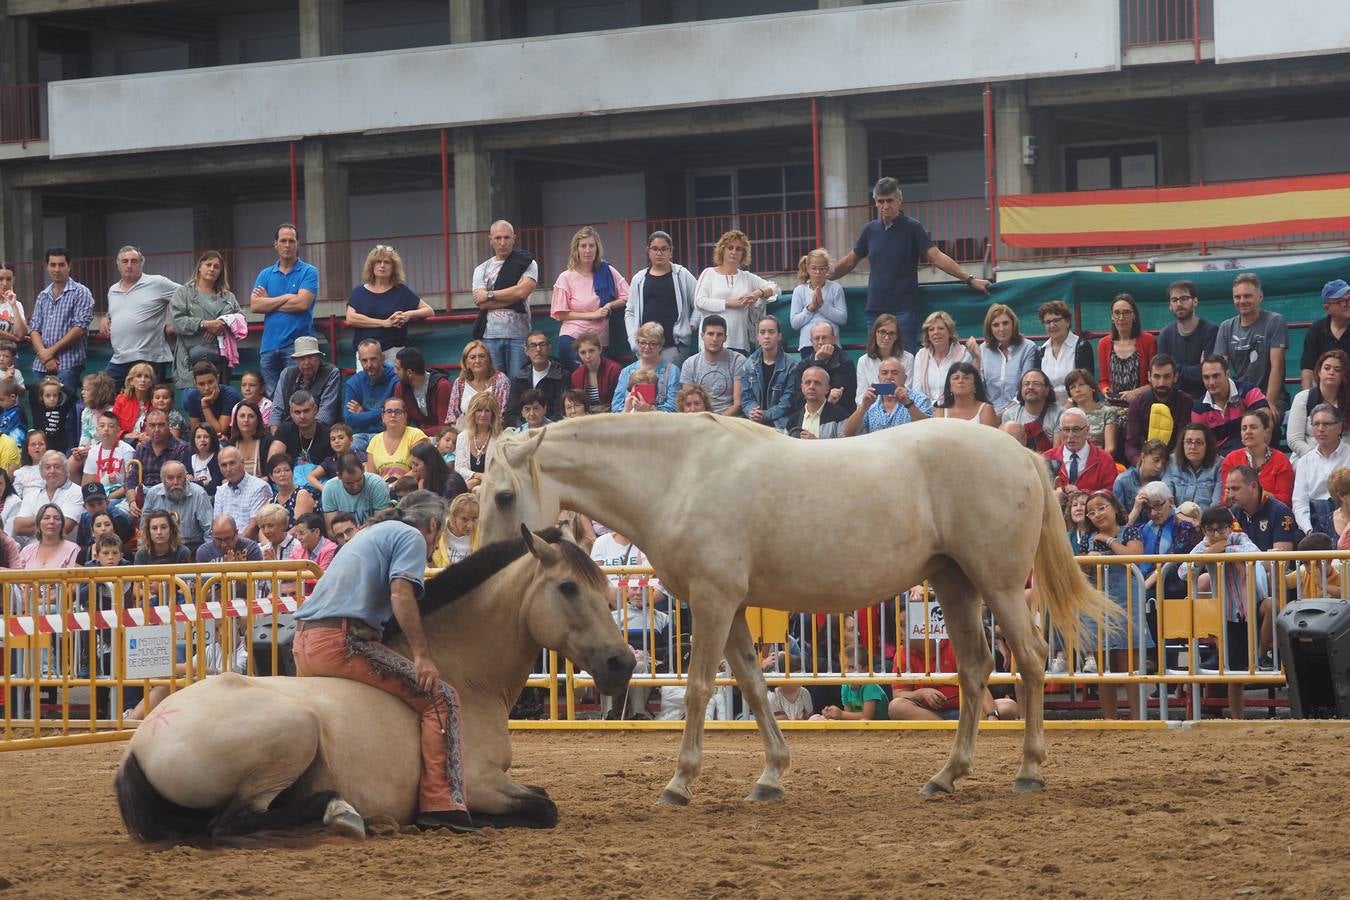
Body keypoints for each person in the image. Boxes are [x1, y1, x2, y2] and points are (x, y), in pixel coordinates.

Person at [292, 491, 477, 832]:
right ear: (433, 523)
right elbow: (401, 593)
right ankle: (442, 805)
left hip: (303, 643)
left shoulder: (371, 534)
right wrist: (422, 656)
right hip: (340, 642)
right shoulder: (411, 537)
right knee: (441, 697)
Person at [829, 176, 989, 351]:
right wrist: (820, 279)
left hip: (903, 310)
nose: (885, 206)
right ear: (875, 202)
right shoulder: (870, 230)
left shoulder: (913, 228)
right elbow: (850, 261)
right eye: (880, 201)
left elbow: (936, 257)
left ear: (899, 200)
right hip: (875, 310)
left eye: (889, 200)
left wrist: (970, 279)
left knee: (906, 362)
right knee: (876, 362)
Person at [1177, 506, 1268, 719]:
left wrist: (1222, 550)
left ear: (1230, 527)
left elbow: (1255, 554)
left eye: (1222, 529)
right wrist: (1211, 552)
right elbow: (1183, 572)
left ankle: (1264, 654)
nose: (1217, 534)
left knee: (1272, 605)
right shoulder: (1203, 546)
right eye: (1211, 530)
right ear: (1203, 530)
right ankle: (1238, 719)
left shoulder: (1239, 539)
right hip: (1230, 615)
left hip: (1254, 606)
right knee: (1234, 674)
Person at [1082, 490, 1148, 720]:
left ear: (1114, 508)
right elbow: (1081, 570)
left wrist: (1109, 542)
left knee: (1130, 663)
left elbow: (1135, 557)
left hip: (1127, 599)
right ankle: (1109, 718)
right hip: (1098, 601)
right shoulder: (1087, 538)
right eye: (1091, 512)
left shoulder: (1130, 531)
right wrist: (1087, 561)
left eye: (1102, 508)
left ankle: (1138, 717)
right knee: (1103, 666)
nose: (1097, 514)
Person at [251, 223, 319, 395]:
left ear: (298, 244)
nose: (287, 245)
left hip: (297, 347)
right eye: (283, 241)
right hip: (268, 347)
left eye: (291, 241)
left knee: (298, 395)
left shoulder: (309, 272)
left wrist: (269, 302)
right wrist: (287, 297)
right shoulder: (265, 274)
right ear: (275, 244)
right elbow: (255, 305)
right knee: (274, 398)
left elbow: (302, 304)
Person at [550, 225, 628, 370]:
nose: (587, 250)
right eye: (583, 246)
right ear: (576, 249)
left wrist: (610, 305)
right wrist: (592, 315)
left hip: (600, 340)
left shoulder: (608, 271)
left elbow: (627, 296)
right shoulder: (566, 277)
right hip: (573, 337)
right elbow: (560, 314)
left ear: (597, 248)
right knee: (578, 381)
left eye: (591, 246)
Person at [693, 229, 777, 356]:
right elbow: (699, 302)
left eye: (738, 249)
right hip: (712, 342)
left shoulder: (747, 277)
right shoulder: (708, 273)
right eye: (730, 247)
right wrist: (729, 303)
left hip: (740, 342)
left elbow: (775, 288)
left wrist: (756, 294)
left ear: (743, 253)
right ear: (722, 250)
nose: (734, 252)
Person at [472, 220, 539, 378]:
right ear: (491, 239)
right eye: (498, 238)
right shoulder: (481, 268)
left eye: (507, 238)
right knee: (495, 384)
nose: (503, 242)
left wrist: (490, 295)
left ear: (514, 239)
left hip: (519, 334)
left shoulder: (527, 263)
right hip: (490, 336)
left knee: (518, 382)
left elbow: (522, 293)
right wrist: (513, 295)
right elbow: (480, 303)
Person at [1215, 272, 1288, 413]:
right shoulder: (1226, 327)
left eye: (1247, 296)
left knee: (1259, 422)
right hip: (1240, 399)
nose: (1242, 301)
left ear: (1260, 296)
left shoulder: (1275, 321)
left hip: (1271, 397)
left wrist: (1269, 404)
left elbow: (1277, 366)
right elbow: (1220, 369)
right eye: (1237, 297)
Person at [104, 245, 178, 386]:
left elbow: (186, 296)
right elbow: (120, 311)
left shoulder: (157, 283)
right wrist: (106, 317)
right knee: (102, 394)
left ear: (142, 264)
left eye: (134, 261)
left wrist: (173, 322)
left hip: (149, 357)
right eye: (125, 261)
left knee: (151, 404)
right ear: (118, 265)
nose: (129, 265)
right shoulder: (113, 290)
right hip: (120, 358)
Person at [345, 244, 432, 362]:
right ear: (371, 266)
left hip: (394, 351)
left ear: (393, 267)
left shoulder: (401, 291)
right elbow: (351, 318)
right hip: (366, 354)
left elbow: (429, 310)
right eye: (378, 262)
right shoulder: (359, 292)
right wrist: (384, 323)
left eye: (387, 262)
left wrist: (408, 315)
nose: (382, 265)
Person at [170, 251, 241, 392]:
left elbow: (240, 320)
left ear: (221, 272)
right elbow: (177, 322)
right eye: (208, 264)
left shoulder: (228, 296)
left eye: (216, 267)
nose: (212, 269)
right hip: (190, 362)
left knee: (220, 406)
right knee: (192, 402)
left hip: (220, 362)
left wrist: (221, 326)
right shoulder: (183, 293)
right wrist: (204, 324)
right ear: (199, 267)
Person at [29, 247, 95, 398]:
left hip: (68, 363)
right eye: (53, 265)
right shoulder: (43, 295)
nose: (57, 269)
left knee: (66, 412)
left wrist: (50, 353)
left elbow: (80, 328)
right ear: (47, 266)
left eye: (61, 264)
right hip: (41, 364)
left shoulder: (81, 292)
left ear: (69, 266)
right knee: (41, 412)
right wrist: (44, 355)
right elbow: (34, 328)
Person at [625, 230, 697, 366]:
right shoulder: (639, 279)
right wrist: (633, 338)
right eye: (655, 249)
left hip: (675, 344)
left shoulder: (682, 275)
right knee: (647, 384)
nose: (659, 253)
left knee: (669, 382)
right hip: (645, 347)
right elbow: (630, 312)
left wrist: (692, 324)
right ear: (648, 251)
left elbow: (699, 303)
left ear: (671, 251)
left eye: (664, 249)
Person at [1122, 354, 1192, 465]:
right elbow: (1131, 444)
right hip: (1144, 462)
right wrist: (1141, 463)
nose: (1161, 383)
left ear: (1175, 377)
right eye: (1157, 376)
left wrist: (1166, 464)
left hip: (1174, 463)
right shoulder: (1138, 403)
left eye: (1167, 377)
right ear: (1149, 377)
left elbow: (1183, 442)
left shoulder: (1185, 402)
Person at [1291, 404, 1350, 536]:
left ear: (1339, 427)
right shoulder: (1304, 462)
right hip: (1315, 520)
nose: (1321, 429)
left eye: (1326, 424)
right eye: (1316, 424)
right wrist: (1309, 530)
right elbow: (1300, 503)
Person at [1193, 354, 1269, 455]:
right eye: (1206, 377)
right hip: (1220, 462)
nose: (1211, 382)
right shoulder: (1198, 409)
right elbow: (1202, 445)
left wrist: (1256, 458)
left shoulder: (1248, 391)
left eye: (1216, 376)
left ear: (1227, 374)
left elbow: (1267, 424)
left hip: (1252, 454)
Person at [1157, 279, 1220, 400]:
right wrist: (1198, 368)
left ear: (1195, 301)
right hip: (1174, 399)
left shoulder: (1211, 331)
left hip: (1206, 399)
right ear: (1170, 305)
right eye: (1174, 300)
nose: (1179, 304)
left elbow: (1208, 374)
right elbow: (1163, 374)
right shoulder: (1165, 334)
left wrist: (1176, 368)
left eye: (1184, 298)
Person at [967, 303, 1035, 415]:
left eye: (1005, 323)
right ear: (990, 328)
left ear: (1013, 324)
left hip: (1019, 410)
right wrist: (977, 358)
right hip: (989, 411)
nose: (1001, 329)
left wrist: (1004, 412)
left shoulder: (1028, 347)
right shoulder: (983, 348)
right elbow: (977, 387)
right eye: (995, 325)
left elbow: (1026, 387)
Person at [1220, 408, 1293, 508]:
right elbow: (1225, 500)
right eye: (1244, 428)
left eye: (1253, 427)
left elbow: (1285, 501)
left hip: (1271, 515)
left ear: (1266, 431)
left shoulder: (1281, 460)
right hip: (1238, 515)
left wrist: (1253, 494)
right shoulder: (1231, 459)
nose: (1248, 432)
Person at [844, 356, 931, 436]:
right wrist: (863, 407)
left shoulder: (920, 399)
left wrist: (908, 404)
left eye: (895, 373)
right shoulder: (870, 401)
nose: (889, 377)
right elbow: (848, 433)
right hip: (877, 451)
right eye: (884, 373)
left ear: (904, 378)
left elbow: (928, 430)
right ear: (879, 378)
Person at [1288, 350, 1350, 461]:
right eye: (1327, 368)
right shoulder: (1303, 398)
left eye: (1337, 370)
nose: (1331, 372)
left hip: (1344, 459)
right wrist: (1316, 458)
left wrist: (1338, 459)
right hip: (1306, 457)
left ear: (1344, 375)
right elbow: (1294, 439)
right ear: (1319, 372)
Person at [1225, 464, 1300, 553]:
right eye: (1228, 489)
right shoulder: (1231, 514)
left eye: (1235, 489)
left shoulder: (1280, 512)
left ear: (1253, 486)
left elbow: (1280, 563)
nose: (1230, 495)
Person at [270, 336, 342, 429]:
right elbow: (277, 410)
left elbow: (326, 414)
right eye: (302, 358)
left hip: (322, 431)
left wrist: (306, 437)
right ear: (296, 361)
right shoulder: (287, 374)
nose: (307, 362)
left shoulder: (331, 373)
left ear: (319, 358)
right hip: (290, 430)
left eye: (311, 357)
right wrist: (276, 434)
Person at [679, 315, 745, 416]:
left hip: (730, 420)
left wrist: (717, 421)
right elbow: (688, 403)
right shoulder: (690, 364)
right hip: (699, 419)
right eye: (710, 334)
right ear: (702, 336)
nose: (714, 339)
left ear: (725, 338)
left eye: (719, 335)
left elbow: (738, 404)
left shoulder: (738, 361)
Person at [143, 460, 213, 553]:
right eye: (170, 478)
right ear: (163, 480)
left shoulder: (199, 494)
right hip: (160, 548)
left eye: (179, 477)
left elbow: (209, 530)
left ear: (186, 478)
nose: (175, 482)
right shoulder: (153, 494)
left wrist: (207, 554)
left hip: (192, 547)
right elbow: (144, 528)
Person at [741, 316, 797, 430]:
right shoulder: (748, 364)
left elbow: (788, 401)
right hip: (755, 421)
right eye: (762, 332)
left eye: (771, 332)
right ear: (758, 337)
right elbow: (746, 398)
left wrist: (766, 415)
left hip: (781, 422)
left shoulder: (792, 366)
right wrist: (753, 412)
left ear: (779, 336)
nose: (766, 336)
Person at [1097, 293, 1155, 405]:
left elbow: (1154, 380)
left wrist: (1136, 393)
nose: (1121, 317)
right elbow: (1103, 382)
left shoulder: (1149, 341)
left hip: (1141, 403)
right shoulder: (1103, 344)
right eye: (1117, 313)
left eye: (1126, 313)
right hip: (1113, 405)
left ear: (1134, 316)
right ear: (1112, 316)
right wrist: (1107, 392)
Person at [1033, 299, 1094, 404]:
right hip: (1048, 408)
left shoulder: (1081, 347)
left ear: (1067, 322)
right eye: (1048, 322)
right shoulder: (1040, 351)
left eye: (1056, 320)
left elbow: (1085, 384)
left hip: (1077, 406)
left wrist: (1067, 409)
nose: (1052, 325)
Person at [612, 323, 681, 414]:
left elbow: (673, 406)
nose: (647, 347)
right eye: (643, 342)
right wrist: (628, 409)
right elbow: (616, 406)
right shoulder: (626, 372)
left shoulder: (672, 371)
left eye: (653, 343)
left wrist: (649, 410)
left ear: (660, 346)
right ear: (637, 343)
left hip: (660, 423)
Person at [1046, 408, 1116, 496]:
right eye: (1066, 430)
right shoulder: (1047, 458)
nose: (1070, 436)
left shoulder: (1104, 460)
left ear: (1087, 430)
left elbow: (1111, 497)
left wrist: (1082, 495)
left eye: (1076, 429)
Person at [788, 248, 846, 353]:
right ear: (807, 268)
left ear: (827, 269)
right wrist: (811, 308)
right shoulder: (799, 290)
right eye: (814, 268)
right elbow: (795, 323)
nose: (818, 272)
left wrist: (822, 306)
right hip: (808, 344)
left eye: (822, 269)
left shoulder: (835, 288)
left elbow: (842, 319)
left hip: (831, 344)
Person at [344, 338, 399, 449]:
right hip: (361, 436)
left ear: (383, 358)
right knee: (349, 449)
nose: (369, 365)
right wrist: (383, 412)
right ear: (359, 360)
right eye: (364, 360)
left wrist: (364, 412)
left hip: (388, 434)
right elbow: (350, 420)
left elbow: (396, 416)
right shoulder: (353, 383)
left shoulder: (395, 379)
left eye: (373, 359)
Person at [13, 450, 82, 538]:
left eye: (57, 467)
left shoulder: (76, 492)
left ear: (66, 470)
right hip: (34, 549)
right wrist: (51, 520)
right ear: (42, 473)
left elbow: (65, 527)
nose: (52, 471)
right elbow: (18, 528)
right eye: (47, 467)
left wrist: (37, 521)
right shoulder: (31, 496)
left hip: (65, 549)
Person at [442, 341, 504, 438]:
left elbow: (501, 414)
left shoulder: (500, 380)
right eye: (472, 357)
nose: (477, 361)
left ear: (489, 360)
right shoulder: (460, 382)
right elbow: (452, 417)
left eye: (482, 356)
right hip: (463, 434)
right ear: (466, 363)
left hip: (492, 434)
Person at [852, 313, 913, 408]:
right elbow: (860, 398)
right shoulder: (863, 361)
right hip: (871, 411)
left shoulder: (908, 358)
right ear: (875, 333)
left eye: (891, 333)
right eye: (882, 332)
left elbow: (909, 391)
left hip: (901, 409)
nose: (886, 337)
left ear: (897, 336)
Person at [907, 310, 969, 404]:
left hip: (954, 410)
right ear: (928, 335)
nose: (936, 332)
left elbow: (965, 391)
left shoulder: (963, 355)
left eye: (940, 328)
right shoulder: (921, 355)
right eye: (931, 329)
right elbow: (917, 392)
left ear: (950, 332)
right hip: (927, 411)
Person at [273, 391, 332, 487]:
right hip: (289, 485)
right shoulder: (284, 430)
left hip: (319, 485)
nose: (302, 416)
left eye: (306, 411)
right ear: (291, 413)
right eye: (297, 412)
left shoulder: (328, 435)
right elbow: (274, 461)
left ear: (315, 409)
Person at [506, 332, 567, 426]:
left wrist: (542, 429)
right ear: (526, 350)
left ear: (549, 348)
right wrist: (525, 429)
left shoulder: (562, 376)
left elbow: (561, 411)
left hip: (551, 431)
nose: (538, 349)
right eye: (533, 346)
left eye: (542, 345)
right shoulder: (518, 378)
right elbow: (511, 414)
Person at [1300, 279, 1350, 392]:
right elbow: (1307, 370)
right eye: (1341, 301)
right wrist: (1307, 399)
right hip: (1324, 396)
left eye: (1349, 299)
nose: (1348, 304)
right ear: (1327, 308)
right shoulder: (1316, 330)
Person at [214, 445, 273, 539]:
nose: (228, 469)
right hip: (225, 544)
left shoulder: (260, 487)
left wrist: (233, 547)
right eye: (224, 465)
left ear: (242, 463)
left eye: (232, 463)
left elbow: (254, 527)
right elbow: (217, 525)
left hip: (251, 547)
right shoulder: (220, 491)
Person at [394, 346, 452, 439]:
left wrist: (416, 433)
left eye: (398, 369)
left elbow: (445, 427)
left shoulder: (442, 386)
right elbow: (400, 422)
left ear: (409, 372)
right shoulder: (400, 387)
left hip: (442, 438)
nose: (395, 372)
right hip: (418, 436)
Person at [802, 320, 858, 416]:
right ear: (811, 342)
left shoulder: (845, 363)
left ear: (834, 339)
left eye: (824, 338)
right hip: (808, 415)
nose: (820, 342)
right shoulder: (803, 365)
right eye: (816, 338)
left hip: (839, 417)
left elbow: (845, 399)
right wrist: (818, 362)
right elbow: (798, 400)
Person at [1063, 368, 1121, 459]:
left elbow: (1110, 448)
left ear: (1092, 388)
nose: (1077, 390)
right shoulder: (1068, 416)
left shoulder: (1107, 412)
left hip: (1099, 461)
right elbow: (1061, 447)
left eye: (1081, 385)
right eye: (1072, 387)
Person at [368, 396, 429, 482]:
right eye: (389, 411)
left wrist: (396, 485)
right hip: (383, 491)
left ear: (405, 416)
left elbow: (421, 469)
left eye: (398, 412)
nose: (393, 415)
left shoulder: (416, 435)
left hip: (411, 489)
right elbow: (372, 478)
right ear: (383, 417)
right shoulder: (375, 441)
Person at [1164, 423, 1224, 509]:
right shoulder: (1172, 461)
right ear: (1182, 444)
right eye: (1188, 442)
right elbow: (1166, 499)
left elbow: (1216, 505)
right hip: (1175, 518)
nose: (1193, 447)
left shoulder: (1219, 465)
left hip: (1206, 519)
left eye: (1198, 442)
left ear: (1207, 445)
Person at [818, 647, 888, 721]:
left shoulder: (870, 685)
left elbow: (867, 716)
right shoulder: (845, 686)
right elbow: (849, 715)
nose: (846, 671)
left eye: (851, 667)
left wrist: (841, 714)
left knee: (864, 721)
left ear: (865, 669)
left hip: (879, 726)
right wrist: (831, 714)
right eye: (843, 667)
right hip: (861, 725)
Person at [1000, 368, 1062, 452]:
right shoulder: (1010, 415)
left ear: (1047, 390)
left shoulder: (1060, 414)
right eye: (1026, 384)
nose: (1030, 387)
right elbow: (1005, 449)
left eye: (1036, 383)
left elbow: (1057, 453)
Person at [323, 452, 391, 527]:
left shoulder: (377, 484)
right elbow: (331, 528)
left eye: (358, 480)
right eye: (349, 483)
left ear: (363, 469)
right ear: (339, 476)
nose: (355, 486)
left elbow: (382, 523)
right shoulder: (330, 489)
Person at [130, 409, 190, 491]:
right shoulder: (141, 449)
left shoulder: (181, 448)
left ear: (169, 425)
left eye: (161, 425)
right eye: (152, 425)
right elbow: (131, 479)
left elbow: (183, 481)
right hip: (142, 495)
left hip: (170, 495)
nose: (157, 429)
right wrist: (132, 500)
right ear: (146, 427)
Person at [453, 392, 502, 493]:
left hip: (493, 488)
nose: (483, 415)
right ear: (472, 412)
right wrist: (478, 476)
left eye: (487, 411)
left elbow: (499, 470)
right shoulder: (462, 437)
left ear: (493, 414)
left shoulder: (501, 438)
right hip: (468, 486)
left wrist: (476, 482)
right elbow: (459, 468)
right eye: (479, 410)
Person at [81, 411, 133, 501]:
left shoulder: (127, 451)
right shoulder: (93, 452)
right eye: (102, 426)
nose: (106, 429)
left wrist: (107, 498)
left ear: (118, 430)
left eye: (111, 426)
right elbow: (86, 485)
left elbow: (131, 483)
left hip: (121, 498)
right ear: (97, 430)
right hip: (98, 498)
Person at [784, 366, 848, 440]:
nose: (811, 387)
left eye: (817, 383)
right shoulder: (793, 420)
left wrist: (816, 443)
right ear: (802, 387)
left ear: (827, 389)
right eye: (808, 382)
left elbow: (845, 448)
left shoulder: (840, 416)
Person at [73, 482, 135, 557]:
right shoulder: (84, 519)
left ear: (107, 502)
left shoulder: (119, 517)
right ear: (84, 507)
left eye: (100, 503)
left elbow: (125, 544)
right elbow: (81, 546)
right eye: (91, 505)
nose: (97, 508)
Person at [19, 502, 81, 576]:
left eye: (57, 518)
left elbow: (74, 581)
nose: (51, 522)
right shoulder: (27, 551)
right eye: (46, 518)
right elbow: (17, 580)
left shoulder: (73, 549)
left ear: (62, 524)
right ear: (38, 523)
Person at [184, 361, 242, 440]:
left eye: (210, 382)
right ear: (195, 383)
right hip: (205, 441)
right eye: (201, 384)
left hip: (228, 441)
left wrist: (205, 406)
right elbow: (196, 432)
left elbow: (219, 432)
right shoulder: (192, 397)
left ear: (217, 379)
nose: (207, 388)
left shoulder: (231, 396)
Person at [1115, 439, 1170, 521]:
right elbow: (1118, 522)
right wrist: (1136, 509)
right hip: (1130, 528)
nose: (1159, 466)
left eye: (1163, 463)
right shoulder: (1122, 480)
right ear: (1143, 457)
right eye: (1156, 460)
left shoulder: (1162, 481)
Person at [933, 361, 999, 427]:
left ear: (975, 385)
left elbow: (989, 437)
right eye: (956, 378)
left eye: (966, 378)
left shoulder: (986, 409)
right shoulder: (940, 412)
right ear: (950, 387)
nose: (960, 381)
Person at [568, 333, 622, 413]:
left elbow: (620, 400)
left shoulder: (614, 369)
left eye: (591, 351)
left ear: (600, 349)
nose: (588, 356)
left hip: (612, 414)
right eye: (583, 352)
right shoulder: (576, 375)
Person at [227, 400, 275, 479]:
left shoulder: (268, 442)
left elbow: (270, 475)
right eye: (242, 416)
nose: (246, 420)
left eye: (251, 416)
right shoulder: (230, 445)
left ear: (257, 420)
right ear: (235, 419)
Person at [267, 452, 317, 526]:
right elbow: (263, 528)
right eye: (278, 471)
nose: (283, 474)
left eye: (287, 470)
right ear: (271, 477)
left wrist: (281, 538)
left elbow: (299, 527)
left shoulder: (302, 494)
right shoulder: (271, 501)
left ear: (293, 473)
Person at [112, 364, 155, 445]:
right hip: (123, 443)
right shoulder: (121, 400)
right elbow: (112, 425)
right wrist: (125, 434)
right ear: (131, 381)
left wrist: (147, 437)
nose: (142, 380)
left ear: (151, 382)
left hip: (147, 444)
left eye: (147, 377)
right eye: (138, 376)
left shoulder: (155, 402)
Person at [196, 514, 263, 565]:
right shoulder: (204, 552)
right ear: (212, 535)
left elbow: (256, 582)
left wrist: (233, 570)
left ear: (236, 533)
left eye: (227, 539)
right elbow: (202, 582)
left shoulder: (250, 548)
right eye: (218, 539)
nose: (223, 544)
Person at [188, 424, 222, 496]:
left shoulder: (217, 459)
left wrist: (193, 482)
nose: (202, 440)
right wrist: (203, 483)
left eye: (206, 437)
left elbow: (214, 488)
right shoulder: (191, 459)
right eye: (198, 437)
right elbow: (186, 486)